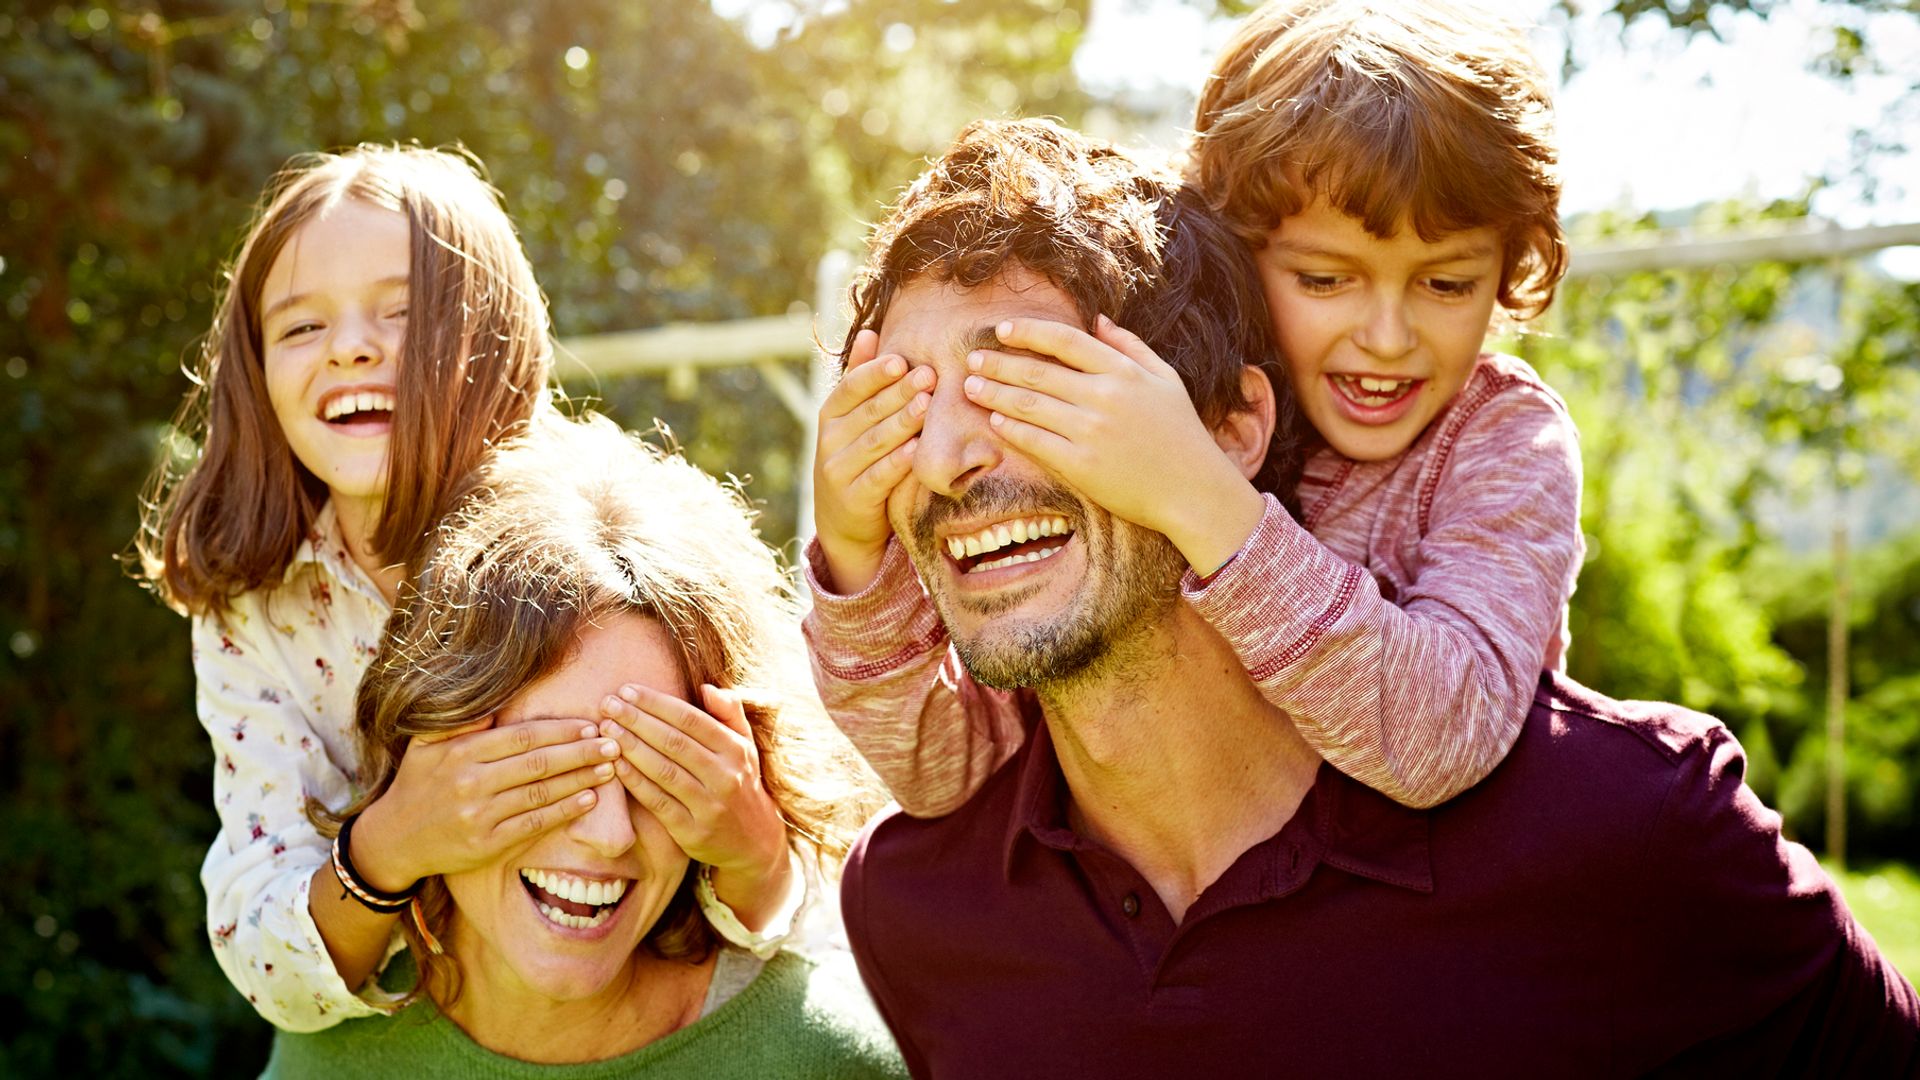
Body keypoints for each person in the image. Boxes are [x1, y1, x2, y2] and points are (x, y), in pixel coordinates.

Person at [832, 117, 1919, 1076]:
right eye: (900, 404)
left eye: (1030, 384)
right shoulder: (913, 916)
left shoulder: (1640, 834)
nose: (945, 458)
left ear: (1231, 431)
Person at [807, 0, 1582, 814]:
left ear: (1505, 274)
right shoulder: (1152, 427)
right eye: (1324, 279)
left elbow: (1440, 737)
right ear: (1238, 247)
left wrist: (1196, 491)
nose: (1388, 337)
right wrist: (858, 561)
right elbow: (950, 771)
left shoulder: (1503, 441)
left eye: (1448, 284)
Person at [134, 146, 801, 1031]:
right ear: (258, 376)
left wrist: (752, 851)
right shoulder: (258, 608)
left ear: (490, 343)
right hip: (424, 1025)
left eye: (402, 312)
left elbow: (808, 874)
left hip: (651, 1017)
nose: (352, 346)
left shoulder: (614, 545)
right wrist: (394, 843)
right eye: (301, 327)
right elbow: (262, 947)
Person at [265, 415, 903, 1077]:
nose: (607, 834)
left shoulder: (832, 1061)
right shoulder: (321, 1054)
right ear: (424, 740)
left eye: (658, 772)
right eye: (548, 767)